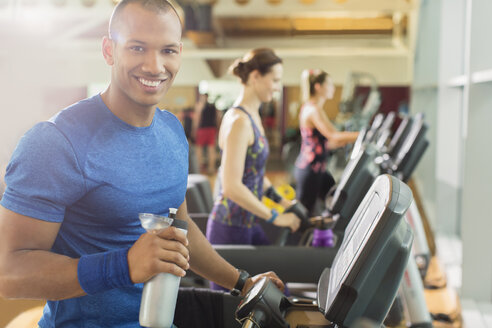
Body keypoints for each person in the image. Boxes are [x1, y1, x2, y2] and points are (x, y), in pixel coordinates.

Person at [0, 1, 284, 327]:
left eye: (167, 51)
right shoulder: (55, 142)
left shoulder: (172, 132)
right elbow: (10, 273)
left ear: (179, 53)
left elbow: (181, 229)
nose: (154, 65)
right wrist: (125, 265)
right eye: (137, 47)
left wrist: (242, 281)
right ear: (109, 50)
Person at [206, 49, 302, 290]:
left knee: (279, 291)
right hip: (229, 228)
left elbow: (255, 175)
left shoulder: (252, 116)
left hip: (247, 224)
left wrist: (282, 202)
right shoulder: (239, 121)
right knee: (233, 311)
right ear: (256, 76)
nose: (277, 87)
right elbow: (231, 186)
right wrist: (275, 217)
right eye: (275, 80)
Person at [294, 69, 359, 216]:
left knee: (336, 203)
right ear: (318, 87)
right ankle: (302, 238)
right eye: (329, 84)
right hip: (310, 170)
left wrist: (346, 140)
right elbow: (334, 136)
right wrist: (362, 135)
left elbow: (325, 142)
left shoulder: (314, 108)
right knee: (304, 215)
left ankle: (330, 235)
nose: (333, 88)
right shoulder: (313, 109)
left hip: (318, 169)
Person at [194, 93, 218, 175]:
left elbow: (197, 119)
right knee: (211, 149)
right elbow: (217, 118)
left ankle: (199, 169)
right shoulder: (213, 106)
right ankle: (211, 168)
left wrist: (194, 130)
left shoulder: (200, 106)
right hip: (212, 129)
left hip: (202, 129)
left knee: (199, 149)